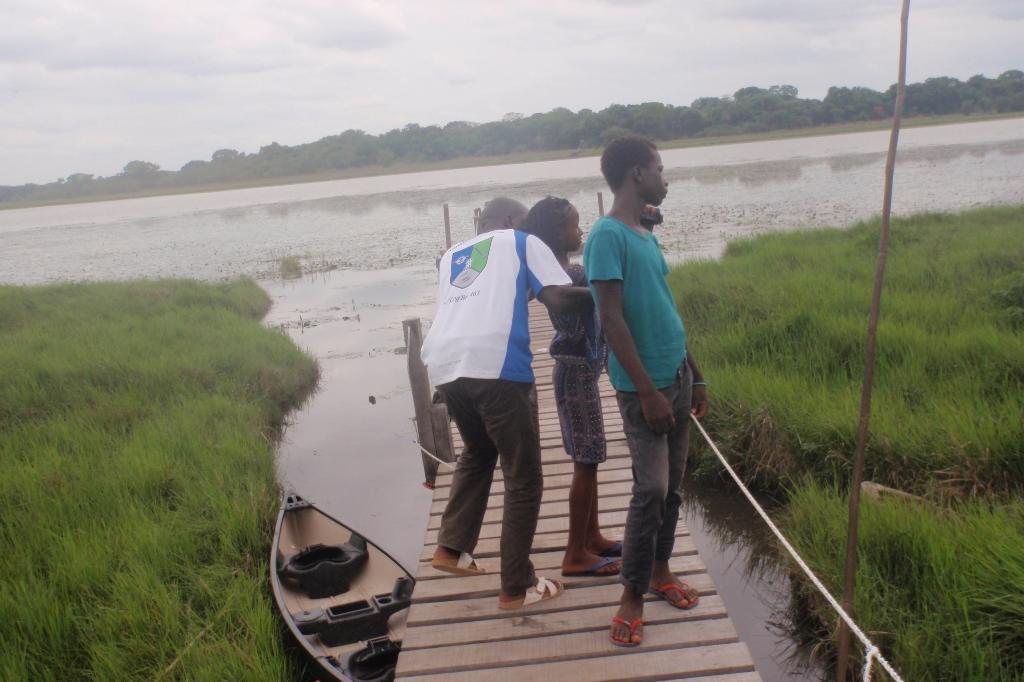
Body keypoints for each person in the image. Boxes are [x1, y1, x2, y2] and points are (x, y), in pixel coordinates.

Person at [422, 196, 593, 610]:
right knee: (524, 477)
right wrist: (607, 292)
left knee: (478, 452)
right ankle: (517, 586)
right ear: (513, 220)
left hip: (445, 367)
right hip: (496, 366)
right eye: (526, 221)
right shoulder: (521, 240)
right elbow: (558, 298)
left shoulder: (452, 256)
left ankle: (450, 547)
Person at [583, 137, 710, 647]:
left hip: (676, 375)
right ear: (637, 174)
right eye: (659, 168)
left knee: (672, 487)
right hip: (644, 388)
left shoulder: (643, 233)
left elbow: (664, 306)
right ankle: (631, 594)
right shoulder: (606, 236)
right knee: (650, 490)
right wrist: (647, 393)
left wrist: (694, 373)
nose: (665, 177)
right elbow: (611, 319)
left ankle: (661, 570)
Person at [520, 196, 621, 578]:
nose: (580, 231)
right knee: (585, 460)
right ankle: (575, 553)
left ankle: (591, 537)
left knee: (590, 459)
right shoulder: (558, 278)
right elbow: (573, 300)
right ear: (556, 232)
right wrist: (606, 290)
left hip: (584, 374)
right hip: (574, 375)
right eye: (574, 226)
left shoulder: (564, 271)